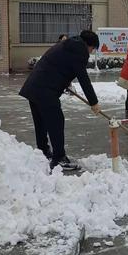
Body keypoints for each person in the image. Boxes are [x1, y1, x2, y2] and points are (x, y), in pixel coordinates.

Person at [19, 30, 101, 171]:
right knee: (56, 121)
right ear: (89, 45)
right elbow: (83, 79)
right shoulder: (80, 50)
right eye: (93, 49)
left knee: (41, 121)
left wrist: (63, 83)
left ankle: (44, 152)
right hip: (46, 90)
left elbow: (59, 66)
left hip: (34, 86)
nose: (91, 52)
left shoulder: (67, 45)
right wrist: (93, 102)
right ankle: (59, 158)